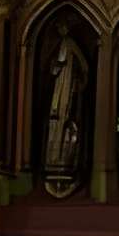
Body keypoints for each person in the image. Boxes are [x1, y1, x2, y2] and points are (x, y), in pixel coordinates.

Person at [41, 35, 87, 180]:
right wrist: (56, 67)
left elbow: (84, 66)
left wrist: (81, 82)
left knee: (66, 123)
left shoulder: (71, 44)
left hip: (68, 90)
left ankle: (65, 160)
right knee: (54, 123)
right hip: (58, 92)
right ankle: (53, 160)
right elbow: (53, 70)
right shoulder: (59, 45)